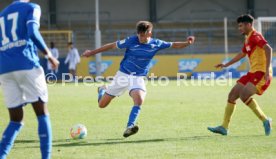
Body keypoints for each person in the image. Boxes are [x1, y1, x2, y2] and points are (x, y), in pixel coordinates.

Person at [82, 21, 195, 138]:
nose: (140, 37)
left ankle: (130, 127)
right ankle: (102, 90)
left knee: (139, 99)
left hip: (138, 77)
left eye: (142, 35)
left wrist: (187, 43)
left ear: (149, 34)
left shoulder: (156, 43)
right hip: (123, 75)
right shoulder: (131, 40)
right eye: (139, 34)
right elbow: (111, 46)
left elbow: (175, 45)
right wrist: (92, 52)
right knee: (102, 105)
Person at [0, 0, 59, 159]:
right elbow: (33, 32)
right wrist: (49, 55)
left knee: (16, 119)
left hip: (5, 69)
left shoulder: (3, 14)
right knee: (41, 113)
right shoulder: (32, 7)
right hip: (26, 64)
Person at [208, 14, 273, 136]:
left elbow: (268, 49)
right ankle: (224, 127)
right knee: (232, 96)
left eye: (241, 25)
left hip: (261, 73)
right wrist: (226, 64)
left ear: (249, 24)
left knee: (244, 95)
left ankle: (265, 120)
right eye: (239, 26)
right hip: (252, 72)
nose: (239, 28)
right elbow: (242, 54)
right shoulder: (248, 38)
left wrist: (266, 70)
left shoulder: (255, 36)